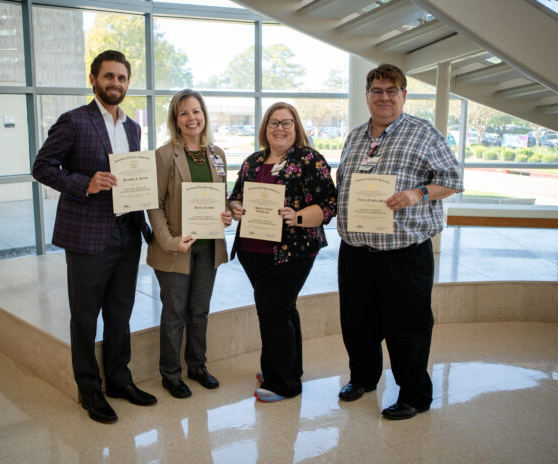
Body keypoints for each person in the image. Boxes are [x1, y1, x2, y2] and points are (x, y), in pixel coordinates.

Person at [32, 50, 157, 424]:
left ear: (127, 83)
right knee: (85, 317)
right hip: (88, 235)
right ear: (93, 78)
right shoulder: (73, 121)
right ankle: (89, 389)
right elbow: (42, 167)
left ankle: (119, 378)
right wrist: (83, 183)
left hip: (127, 232)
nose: (115, 83)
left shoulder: (132, 128)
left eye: (121, 78)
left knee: (120, 312)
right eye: (109, 76)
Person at [336, 63, 463, 420]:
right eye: (377, 90)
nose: (384, 97)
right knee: (357, 323)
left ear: (404, 95)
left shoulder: (424, 133)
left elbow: (452, 179)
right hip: (357, 253)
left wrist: (418, 193)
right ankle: (363, 378)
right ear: (367, 96)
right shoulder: (356, 136)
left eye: (392, 91)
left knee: (407, 327)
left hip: (404, 255)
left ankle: (415, 394)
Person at [228, 102, 337, 403]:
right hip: (253, 250)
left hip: (293, 251)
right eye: (273, 123)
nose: (279, 128)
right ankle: (289, 369)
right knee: (284, 310)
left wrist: (297, 217)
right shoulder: (253, 161)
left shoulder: (309, 159)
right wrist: (235, 207)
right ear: (265, 127)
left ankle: (283, 384)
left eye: (286, 123)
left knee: (273, 312)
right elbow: (235, 196)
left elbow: (329, 204)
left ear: (296, 127)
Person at [146, 89, 232, 399]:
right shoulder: (165, 154)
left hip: (208, 246)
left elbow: (221, 199)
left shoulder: (217, 154)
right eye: (184, 113)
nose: (191, 118)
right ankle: (171, 373)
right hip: (176, 248)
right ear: (176, 120)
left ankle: (197, 366)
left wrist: (226, 215)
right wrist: (169, 241)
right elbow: (153, 204)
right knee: (175, 312)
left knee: (200, 310)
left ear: (204, 116)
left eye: (196, 111)